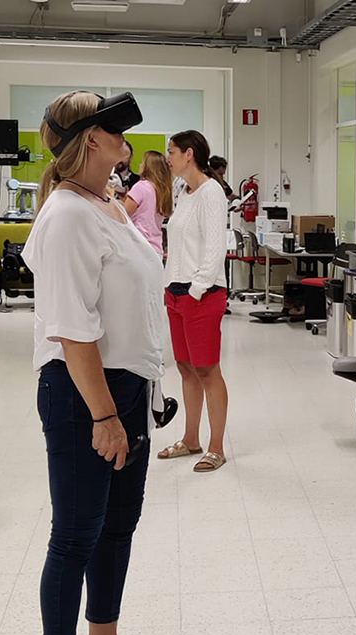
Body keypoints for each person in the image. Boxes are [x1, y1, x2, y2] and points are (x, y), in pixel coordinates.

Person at [23, 90, 169, 635]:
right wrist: (105, 416)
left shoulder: (107, 202)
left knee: (117, 524)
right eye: (114, 130)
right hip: (85, 393)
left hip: (125, 388)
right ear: (89, 141)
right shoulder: (65, 216)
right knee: (77, 532)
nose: (125, 140)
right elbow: (71, 328)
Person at [157, 130, 230, 473]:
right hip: (176, 291)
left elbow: (215, 249)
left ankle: (217, 447)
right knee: (186, 368)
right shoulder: (182, 190)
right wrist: (169, 287)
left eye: (171, 152)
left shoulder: (211, 193)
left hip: (202, 293)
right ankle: (190, 439)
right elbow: (177, 244)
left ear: (189, 154)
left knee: (207, 370)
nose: (167, 158)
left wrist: (196, 289)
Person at [124, 150, 174, 260]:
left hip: (139, 247)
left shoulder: (140, 187)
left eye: (143, 162)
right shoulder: (163, 191)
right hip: (156, 249)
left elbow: (123, 214)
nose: (140, 165)